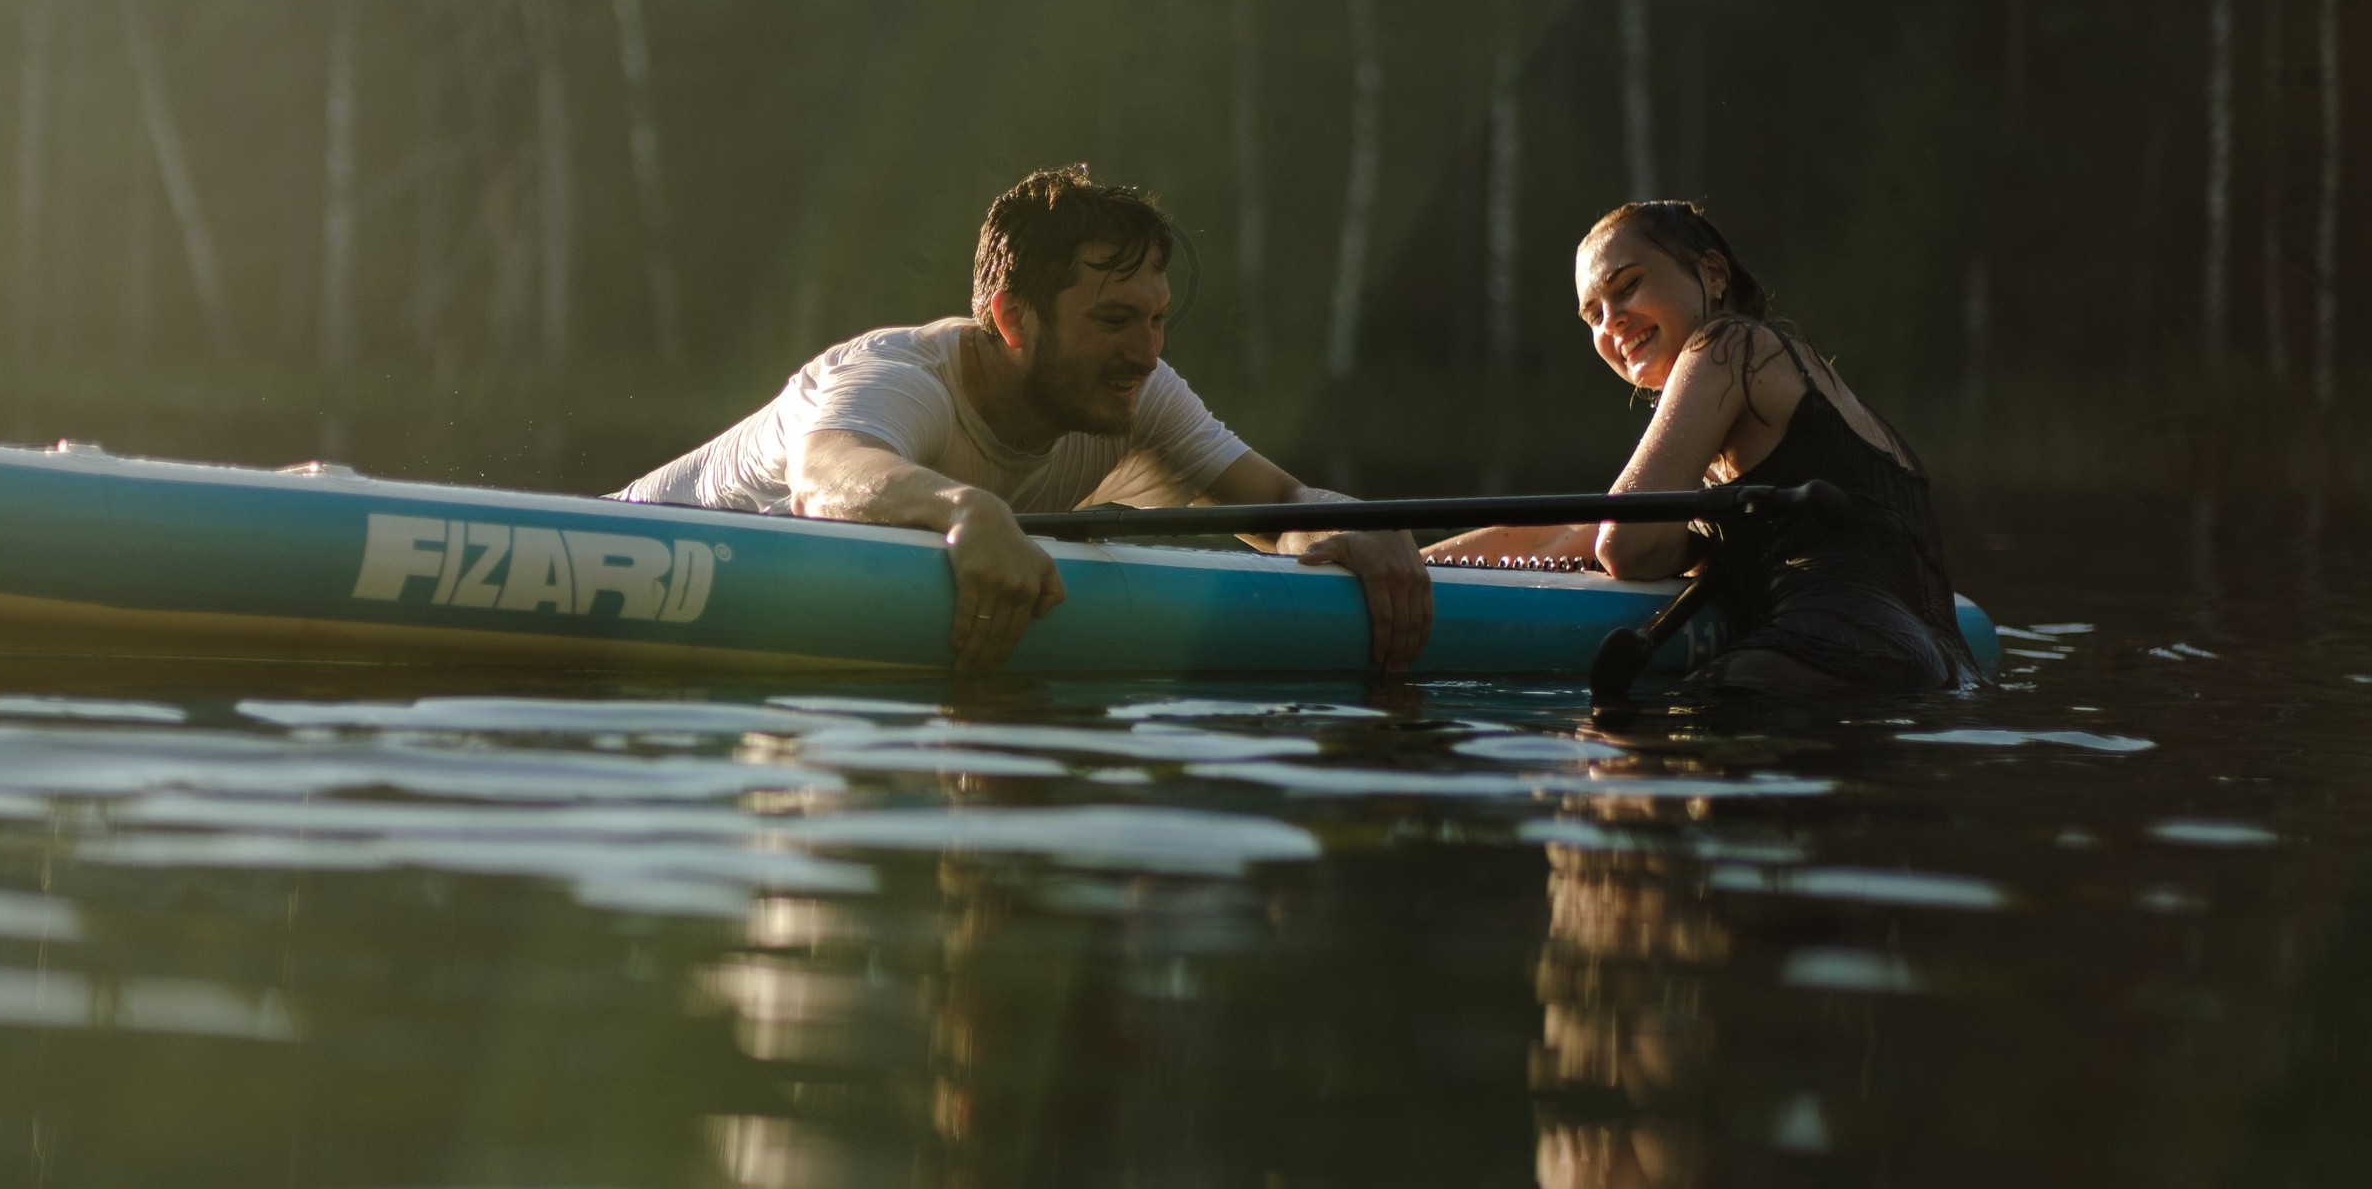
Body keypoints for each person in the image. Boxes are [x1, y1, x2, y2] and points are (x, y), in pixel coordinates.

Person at [612, 165, 1432, 672]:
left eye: (1157, 319)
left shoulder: (1136, 392)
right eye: (1115, 320)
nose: (1147, 351)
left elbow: (1282, 507)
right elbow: (824, 471)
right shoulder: (901, 379)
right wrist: (969, 511)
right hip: (617, 553)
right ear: (1011, 318)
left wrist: (1351, 526)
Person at [1425, 201, 1979, 692]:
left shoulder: (1725, 345)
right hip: (1944, 677)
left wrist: (1681, 547)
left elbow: (1624, 544)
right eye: (1593, 314)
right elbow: (1578, 533)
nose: (1611, 322)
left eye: (1627, 286)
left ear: (1712, 274)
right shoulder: (1824, 397)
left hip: (1821, 658)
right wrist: (1417, 564)